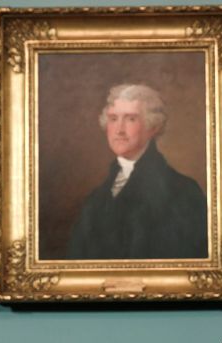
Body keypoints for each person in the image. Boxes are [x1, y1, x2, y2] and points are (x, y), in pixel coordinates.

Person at [66, 83, 207, 259]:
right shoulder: (95, 199)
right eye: (113, 119)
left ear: (152, 127)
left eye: (131, 119)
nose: (119, 130)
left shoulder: (183, 191)